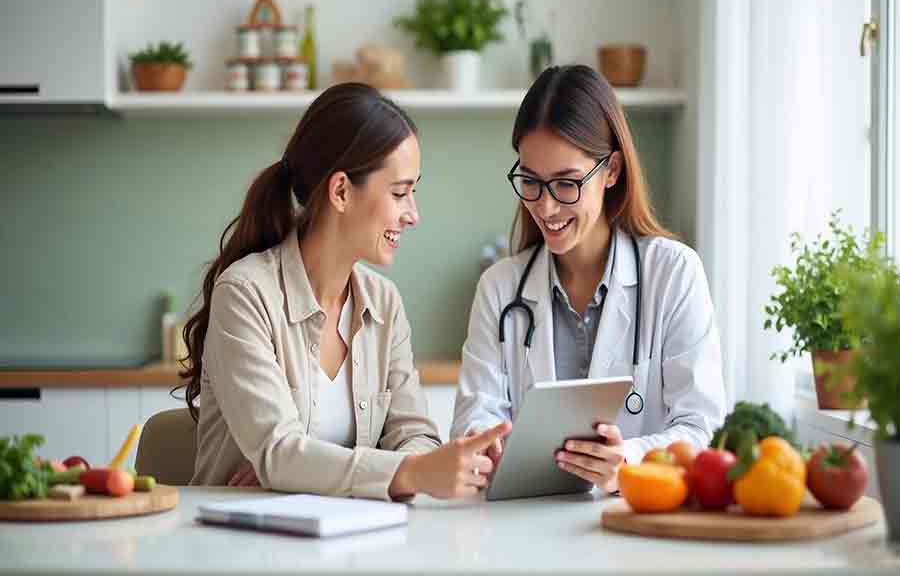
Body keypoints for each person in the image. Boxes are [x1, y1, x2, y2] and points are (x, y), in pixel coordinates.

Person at [181, 83, 510, 501]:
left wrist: (312, 470)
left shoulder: (384, 302)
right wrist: (403, 472)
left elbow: (416, 437)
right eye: (399, 193)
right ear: (341, 192)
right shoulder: (246, 294)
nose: (413, 214)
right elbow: (280, 454)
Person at [450, 65, 726, 492]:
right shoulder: (500, 288)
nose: (545, 207)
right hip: (522, 531)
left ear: (612, 170)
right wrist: (487, 447)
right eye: (531, 181)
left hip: (636, 526)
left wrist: (628, 460)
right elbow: (474, 421)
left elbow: (702, 428)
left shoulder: (673, 274)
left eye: (566, 183)